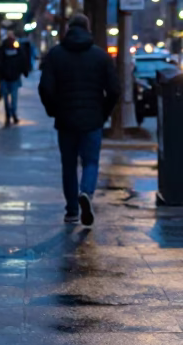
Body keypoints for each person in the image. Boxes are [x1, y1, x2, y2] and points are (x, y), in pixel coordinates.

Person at [38, 13, 121, 226]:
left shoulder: (55, 55)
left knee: (68, 165)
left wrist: (53, 110)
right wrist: (103, 113)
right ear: (88, 29)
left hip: (65, 119)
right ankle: (86, 192)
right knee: (90, 161)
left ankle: (72, 211)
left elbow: (45, 88)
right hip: (92, 118)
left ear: (68, 29)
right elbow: (114, 90)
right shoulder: (101, 57)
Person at [0, 34, 29, 126]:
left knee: (7, 98)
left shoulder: (0, 51)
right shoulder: (18, 52)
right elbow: (23, 62)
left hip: (6, 77)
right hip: (12, 77)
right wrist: (25, 72)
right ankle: (12, 114)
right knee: (13, 98)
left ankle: (9, 115)